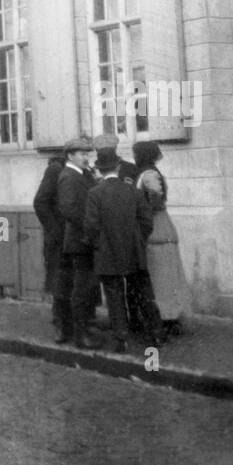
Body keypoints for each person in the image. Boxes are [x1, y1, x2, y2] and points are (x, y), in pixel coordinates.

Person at [83, 147, 154, 351]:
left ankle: (120, 338)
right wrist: (138, 240)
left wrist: (98, 245)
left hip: (107, 252)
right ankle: (153, 334)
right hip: (133, 250)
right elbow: (147, 221)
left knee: (114, 295)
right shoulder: (134, 190)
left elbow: (91, 226)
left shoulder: (95, 193)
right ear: (118, 166)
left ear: (100, 170)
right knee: (141, 292)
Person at [133, 141, 189, 339]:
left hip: (155, 226)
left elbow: (155, 202)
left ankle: (167, 318)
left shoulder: (148, 174)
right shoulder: (151, 172)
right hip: (161, 225)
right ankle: (170, 318)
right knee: (165, 274)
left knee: (160, 275)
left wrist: (138, 210)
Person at [54, 136, 101, 348]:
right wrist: (90, 227)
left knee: (87, 287)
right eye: (82, 154)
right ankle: (80, 335)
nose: (86, 158)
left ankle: (83, 328)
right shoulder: (68, 176)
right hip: (79, 240)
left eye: (88, 154)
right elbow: (69, 209)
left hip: (86, 240)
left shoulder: (83, 174)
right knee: (81, 288)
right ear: (71, 155)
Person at [33, 149, 65, 319]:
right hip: (59, 237)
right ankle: (60, 322)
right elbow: (40, 202)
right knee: (58, 280)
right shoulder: (55, 169)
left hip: (71, 237)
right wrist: (54, 230)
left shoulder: (80, 169)